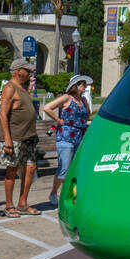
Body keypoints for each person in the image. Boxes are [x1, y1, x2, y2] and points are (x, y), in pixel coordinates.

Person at [0, 57, 42, 216]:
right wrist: (7, 140)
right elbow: (3, 114)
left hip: (28, 137)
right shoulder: (10, 88)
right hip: (14, 137)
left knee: (30, 169)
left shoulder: (22, 88)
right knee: (12, 170)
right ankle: (9, 205)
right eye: (27, 70)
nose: (30, 72)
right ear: (18, 71)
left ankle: (23, 203)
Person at [44, 74, 92, 205]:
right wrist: (58, 120)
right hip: (66, 136)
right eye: (83, 84)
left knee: (75, 168)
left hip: (79, 136)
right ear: (75, 86)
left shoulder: (83, 100)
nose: (85, 87)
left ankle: (70, 193)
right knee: (64, 167)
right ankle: (54, 192)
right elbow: (47, 107)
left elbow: (87, 115)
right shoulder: (66, 98)